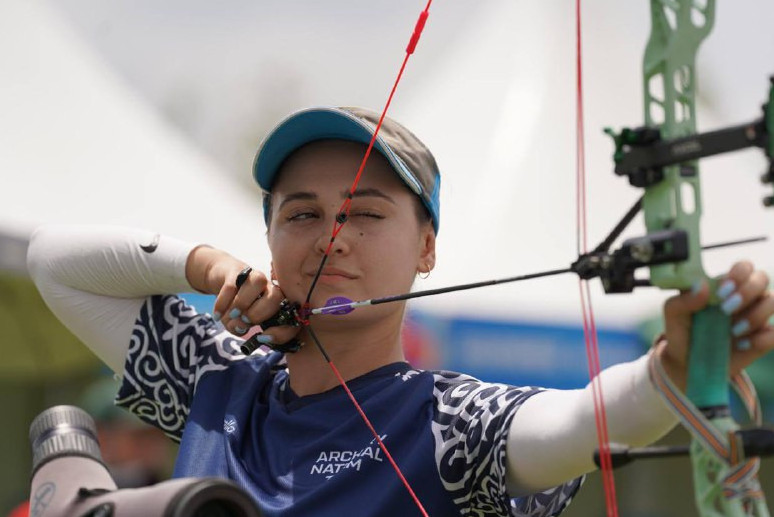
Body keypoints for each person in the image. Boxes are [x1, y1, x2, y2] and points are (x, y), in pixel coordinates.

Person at [27, 106, 774, 516]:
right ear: (270, 243)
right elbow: (54, 263)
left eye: (366, 213)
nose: (332, 237)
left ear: (426, 247)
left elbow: (578, 423)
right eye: (302, 214)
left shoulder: (446, 424)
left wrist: (674, 370)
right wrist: (205, 266)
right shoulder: (217, 384)